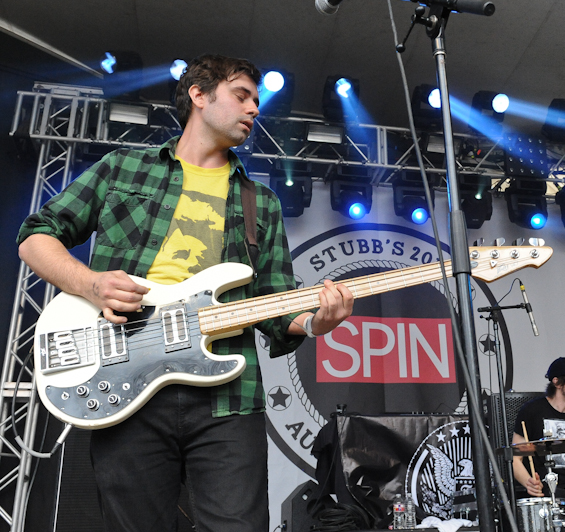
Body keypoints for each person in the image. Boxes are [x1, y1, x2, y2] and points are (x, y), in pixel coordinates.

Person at [17, 54, 354, 531]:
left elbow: (278, 309)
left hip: (228, 398)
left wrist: (318, 320)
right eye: (242, 95)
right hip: (123, 380)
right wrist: (91, 284)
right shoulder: (124, 169)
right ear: (199, 94)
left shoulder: (263, 202)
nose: (254, 108)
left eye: (257, 100)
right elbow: (35, 236)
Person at [512, 357, 565, 532]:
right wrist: (529, 482)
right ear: (557, 382)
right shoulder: (532, 410)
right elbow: (515, 459)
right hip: (549, 488)